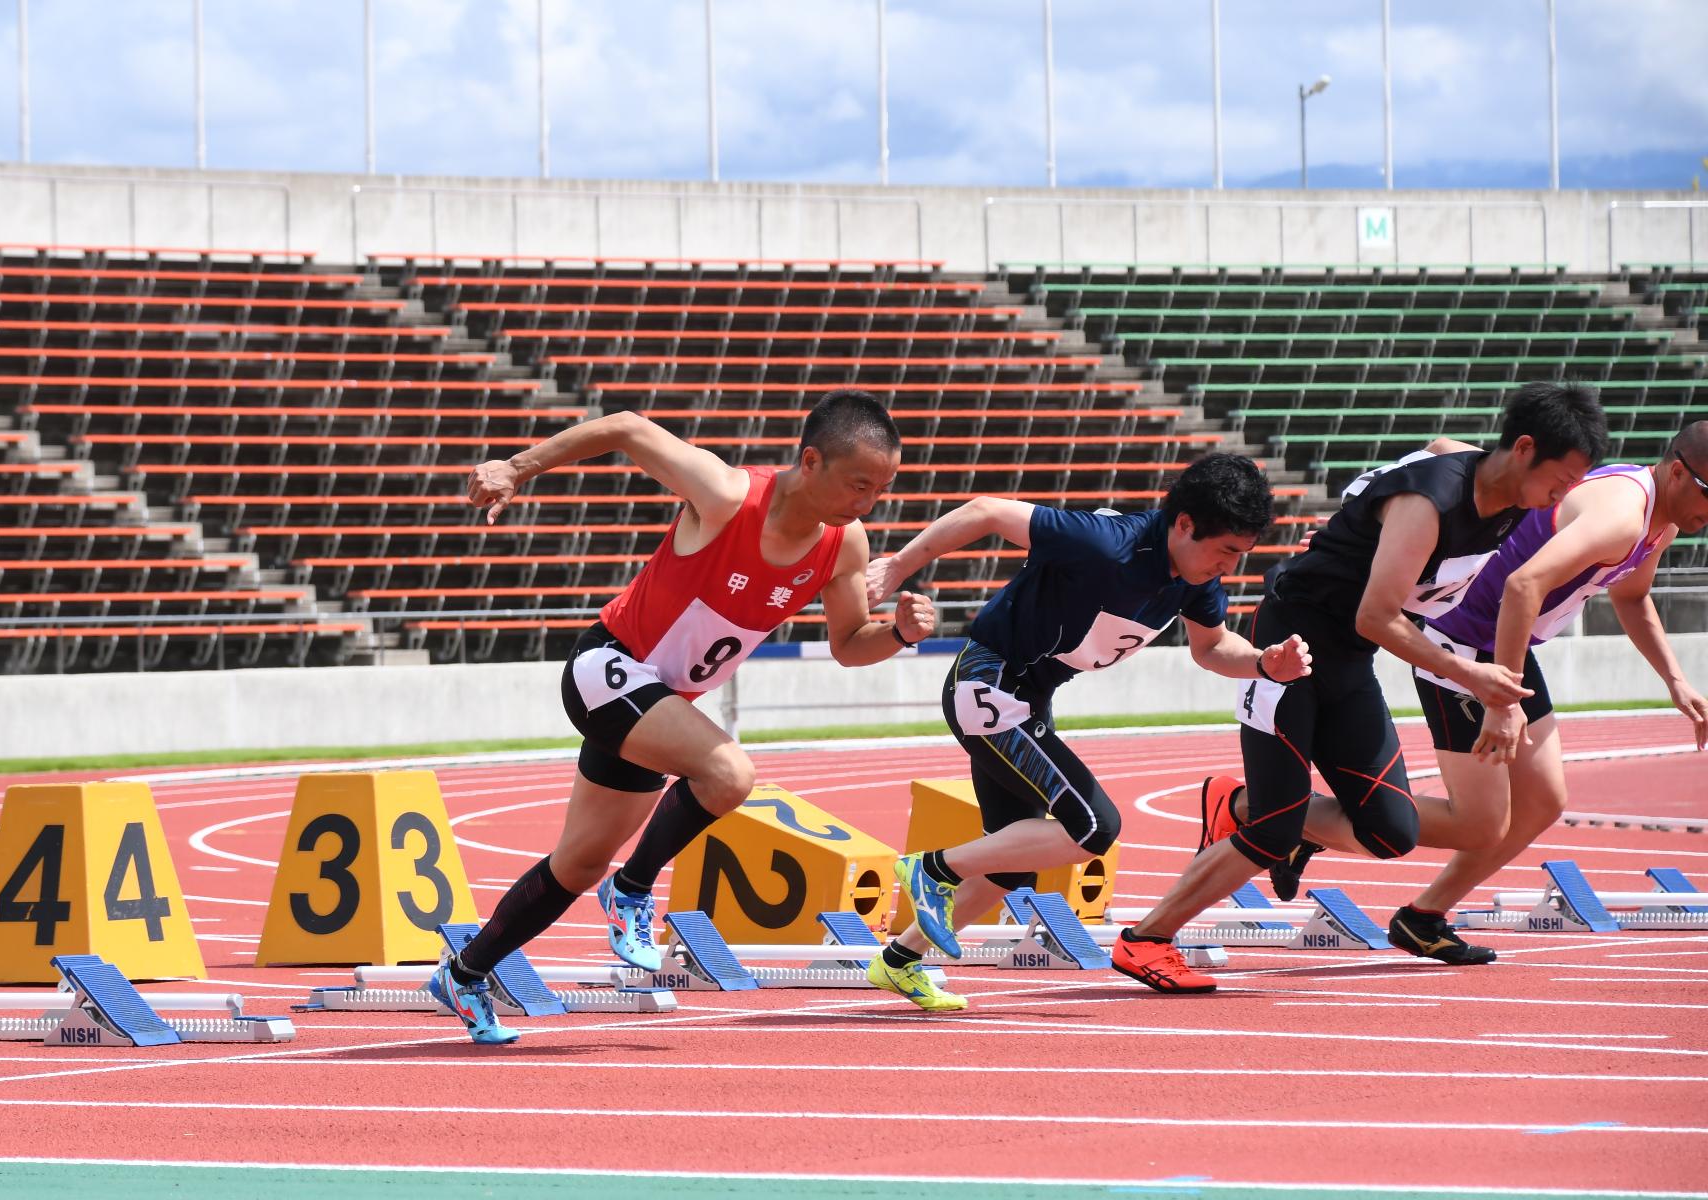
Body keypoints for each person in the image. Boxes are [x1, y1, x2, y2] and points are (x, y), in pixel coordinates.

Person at [429, 390, 937, 1043]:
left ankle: (465, 972)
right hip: (608, 669)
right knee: (729, 772)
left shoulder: (845, 544)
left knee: (578, 864)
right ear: (810, 461)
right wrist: (516, 468)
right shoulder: (727, 496)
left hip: (659, 707)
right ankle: (633, 891)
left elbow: (848, 645)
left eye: (883, 488)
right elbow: (626, 427)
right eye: (859, 484)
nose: (869, 502)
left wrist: (896, 633)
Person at [1123, 381, 1610, 994]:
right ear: (1522, 449)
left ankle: (1235, 805)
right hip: (1294, 644)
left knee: (1392, 832)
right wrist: (1478, 682)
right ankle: (1147, 939)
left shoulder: (1501, 487)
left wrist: (1351, 520)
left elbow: (1434, 448)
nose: (1562, 497)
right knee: (1277, 825)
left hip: (1350, 659)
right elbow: (1376, 614)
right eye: (1561, 481)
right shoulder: (1429, 503)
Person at [858, 452, 1312, 1012]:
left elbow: (1213, 648)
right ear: (1185, 524)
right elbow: (987, 511)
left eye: (1240, 556)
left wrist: (1266, 664)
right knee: (1094, 826)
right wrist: (900, 565)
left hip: (1027, 700)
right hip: (988, 687)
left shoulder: (1192, 579)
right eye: (1225, 552)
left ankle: (899, 961)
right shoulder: (1106, 542)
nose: (1228, 568)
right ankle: (931, 868)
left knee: (1009, 863)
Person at [1381, 420, 1708, 960]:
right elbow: (1522, 584)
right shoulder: (1621, 515)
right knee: (1479, 823)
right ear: (1678, 471)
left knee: (1542, 803)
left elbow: (1632, 597)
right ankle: (1306, 820)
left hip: (1504, 645)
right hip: (1460, 645)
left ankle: (1422, 917)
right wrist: (1502, 702)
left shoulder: (1660, 523)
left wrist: (1675, 679)